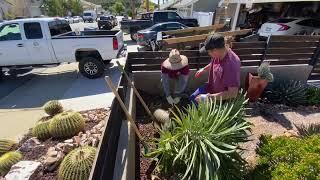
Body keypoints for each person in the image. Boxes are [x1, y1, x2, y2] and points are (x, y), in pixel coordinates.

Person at [190, 34, 241, 103]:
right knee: (193, 98)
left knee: (195, 102)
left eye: (208, 52)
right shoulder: (220, 53)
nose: (208, 54)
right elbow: (214, 63)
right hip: (210, 86)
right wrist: (204, 69)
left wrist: (208, 97)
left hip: (218, 97)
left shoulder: (231, 65)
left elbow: (233, 93)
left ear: (215, 50)